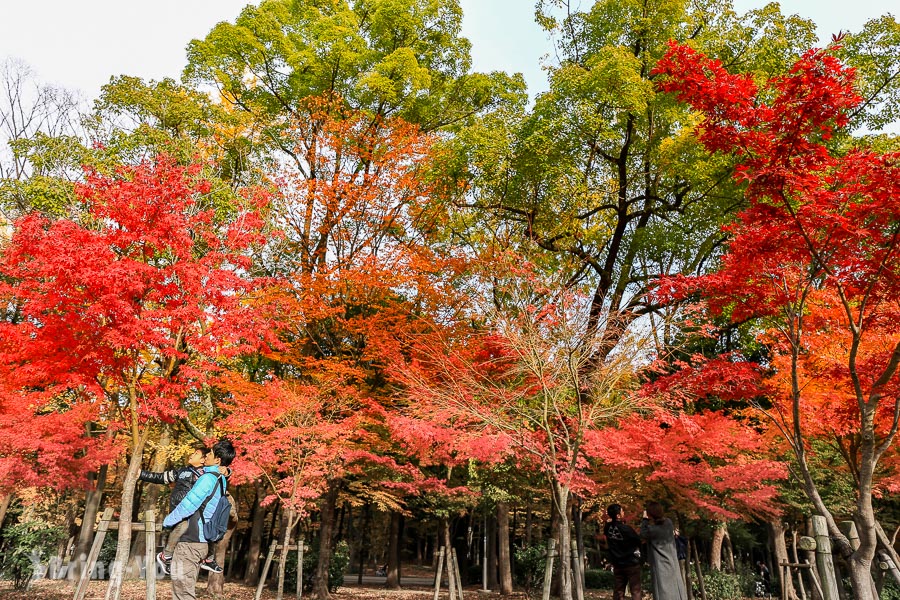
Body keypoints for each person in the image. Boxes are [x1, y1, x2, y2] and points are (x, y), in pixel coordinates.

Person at [163, 439, 235, 600]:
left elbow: (188, 505)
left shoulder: (207, 479)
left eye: (209, 453)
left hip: (191, 540)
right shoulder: (220, 479)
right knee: (183, 589)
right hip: (201, 541)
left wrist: (168, 522)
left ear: (217, 459)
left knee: (183, 592)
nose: (206, 455)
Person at [141, 444, 228, 576]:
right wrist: (141, 474)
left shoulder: (207, 474)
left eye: (197, 453)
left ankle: (208, 559)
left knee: (209, 529)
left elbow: (218, 476)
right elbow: (160, 477)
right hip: (180, 507)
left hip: (194, 511)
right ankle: (166, 556)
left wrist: (227, 471)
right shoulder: (182, 471)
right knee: (183, 525)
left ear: (204, 459)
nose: (192, 455)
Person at [640, 502, 687, 600]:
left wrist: (644, 519)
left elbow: (643, 533)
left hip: (660, 566)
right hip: (672, 564)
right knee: (676, 590)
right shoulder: (669, 523)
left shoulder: (652, 530)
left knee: (662, 592)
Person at [603, 504, 642, 600]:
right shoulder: (626, 529)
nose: (623, 512)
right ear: (618, 515)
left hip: (617, 563)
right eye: (622, 511)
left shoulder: (608, 528)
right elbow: (638, 540)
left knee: (618, 591)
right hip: (631, 563)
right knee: (635, 591)